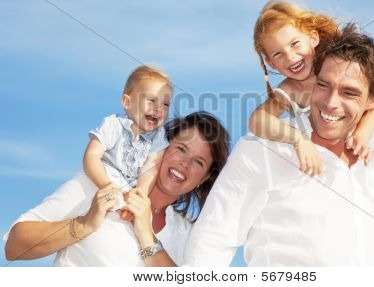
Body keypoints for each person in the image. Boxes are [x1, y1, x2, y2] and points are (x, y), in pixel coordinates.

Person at [184, 24, 374, 266]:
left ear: (373, 102)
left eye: (349, 92)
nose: (331, 102)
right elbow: (212, 239)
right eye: (324, 85)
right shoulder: (262, 150)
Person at [248, 0, 374, 200]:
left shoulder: (334, 64)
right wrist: (298, 139)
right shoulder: (289, 89)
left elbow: (373, 109)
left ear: (313, 38)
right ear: (270, 63)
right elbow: (257, 120)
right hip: (371, 145)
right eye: (278, 54)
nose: (290, 57)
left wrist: (361, 135)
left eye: (294, 44)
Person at [4, 112, 230, 266]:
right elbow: (14, 246)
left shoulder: (189, 235)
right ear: (161, 148)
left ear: (205, 177)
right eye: (181, 149)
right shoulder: (102, 182)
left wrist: (147, 236)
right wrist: (84, 224)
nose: (185, 163)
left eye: (199, 162)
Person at [84, 65, 172, 218]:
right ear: (127, 102)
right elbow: (91, 156)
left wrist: (139, 195)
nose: (159, 108)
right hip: (100, 180)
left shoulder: (159, 136)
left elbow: (151, 168)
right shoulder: (114, 125)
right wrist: (106, 185)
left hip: (127, 192)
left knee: (136, 219)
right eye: (152, 100)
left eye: (165, 104)